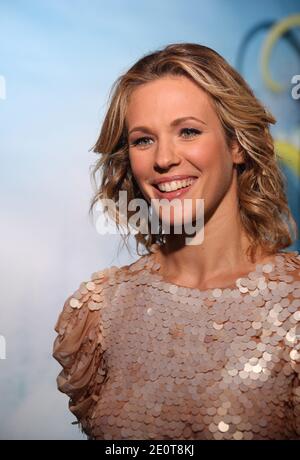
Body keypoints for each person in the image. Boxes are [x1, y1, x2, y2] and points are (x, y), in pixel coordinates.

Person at [53, 43, 300, 440]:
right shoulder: (101, 309)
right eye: (143, 140)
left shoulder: (295, 301)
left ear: (236, 145)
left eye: (188, 131)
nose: (163, 158)